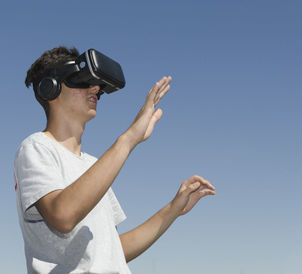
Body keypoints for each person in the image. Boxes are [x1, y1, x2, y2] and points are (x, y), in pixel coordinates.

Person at [14, 46, 215, 274]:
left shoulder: (93, 164)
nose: (96, 88)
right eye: (82, 81)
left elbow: (112, 251)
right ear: (50, 89)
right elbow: (63, 215)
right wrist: (129, 139)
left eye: (97, 85)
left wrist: (172, 209)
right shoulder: (36, 147)